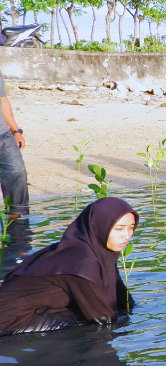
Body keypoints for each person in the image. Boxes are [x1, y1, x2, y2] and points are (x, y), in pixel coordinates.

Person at [0, 197, 137, 335]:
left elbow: (124, 301)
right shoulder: (81, 262)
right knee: (84, 319)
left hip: (27, 311)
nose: (126, 236)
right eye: (119, 229)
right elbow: (103, 318)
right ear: (99, 227)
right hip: (8, 322)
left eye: (131, 228)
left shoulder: (96, 251)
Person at [0, 70, 30, 224]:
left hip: (4, 134)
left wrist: (16, 131)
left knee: (17, 172)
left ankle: (17, 230)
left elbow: (3, 100)